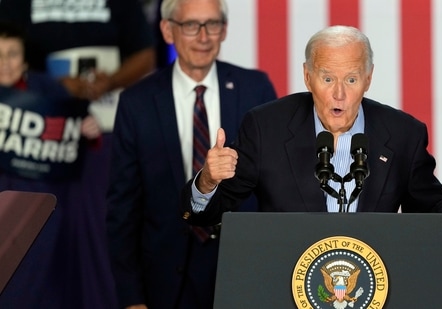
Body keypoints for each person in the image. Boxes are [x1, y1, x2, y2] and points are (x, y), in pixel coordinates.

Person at [182, 25, 442, 266]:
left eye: (351, 80)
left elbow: (431, 204)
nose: (338, 94)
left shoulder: (403, 134)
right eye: (327, 78)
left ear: (368, 78)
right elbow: (206, 215)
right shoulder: (265, 127)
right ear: (308, 77)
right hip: (285, 281)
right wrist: (207, 181)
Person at [105, 0, 277, 308]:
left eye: (212, 25)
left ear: (224, 31)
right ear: (167, 31)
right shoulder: (137, 102)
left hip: (243, 272)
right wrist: (131, 298)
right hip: (165, 280)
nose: (203, 36)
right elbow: (123, 208)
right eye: (190, 25)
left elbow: (274, 189)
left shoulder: (255, 88)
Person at [0, 21, 102, 308]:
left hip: (41, 212)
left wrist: (89, 131)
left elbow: (80, 140)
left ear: (25, 59)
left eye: (12, 54)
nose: (5, 63)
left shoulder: (49, 90)